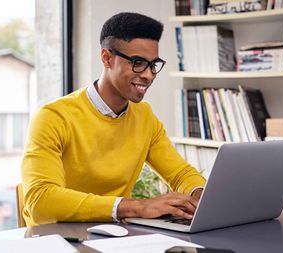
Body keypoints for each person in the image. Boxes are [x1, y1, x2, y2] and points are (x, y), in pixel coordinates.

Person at [21, 12, 205, 227]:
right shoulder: (53, 117)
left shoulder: (145, 117)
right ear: (107, 58)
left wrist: (199, 195)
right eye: (138, 63)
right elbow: (40, 200)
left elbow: (180, 173)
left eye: (153, 64)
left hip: (114, 236)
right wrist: (136, 207)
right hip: (55, 238)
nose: (148, 75)